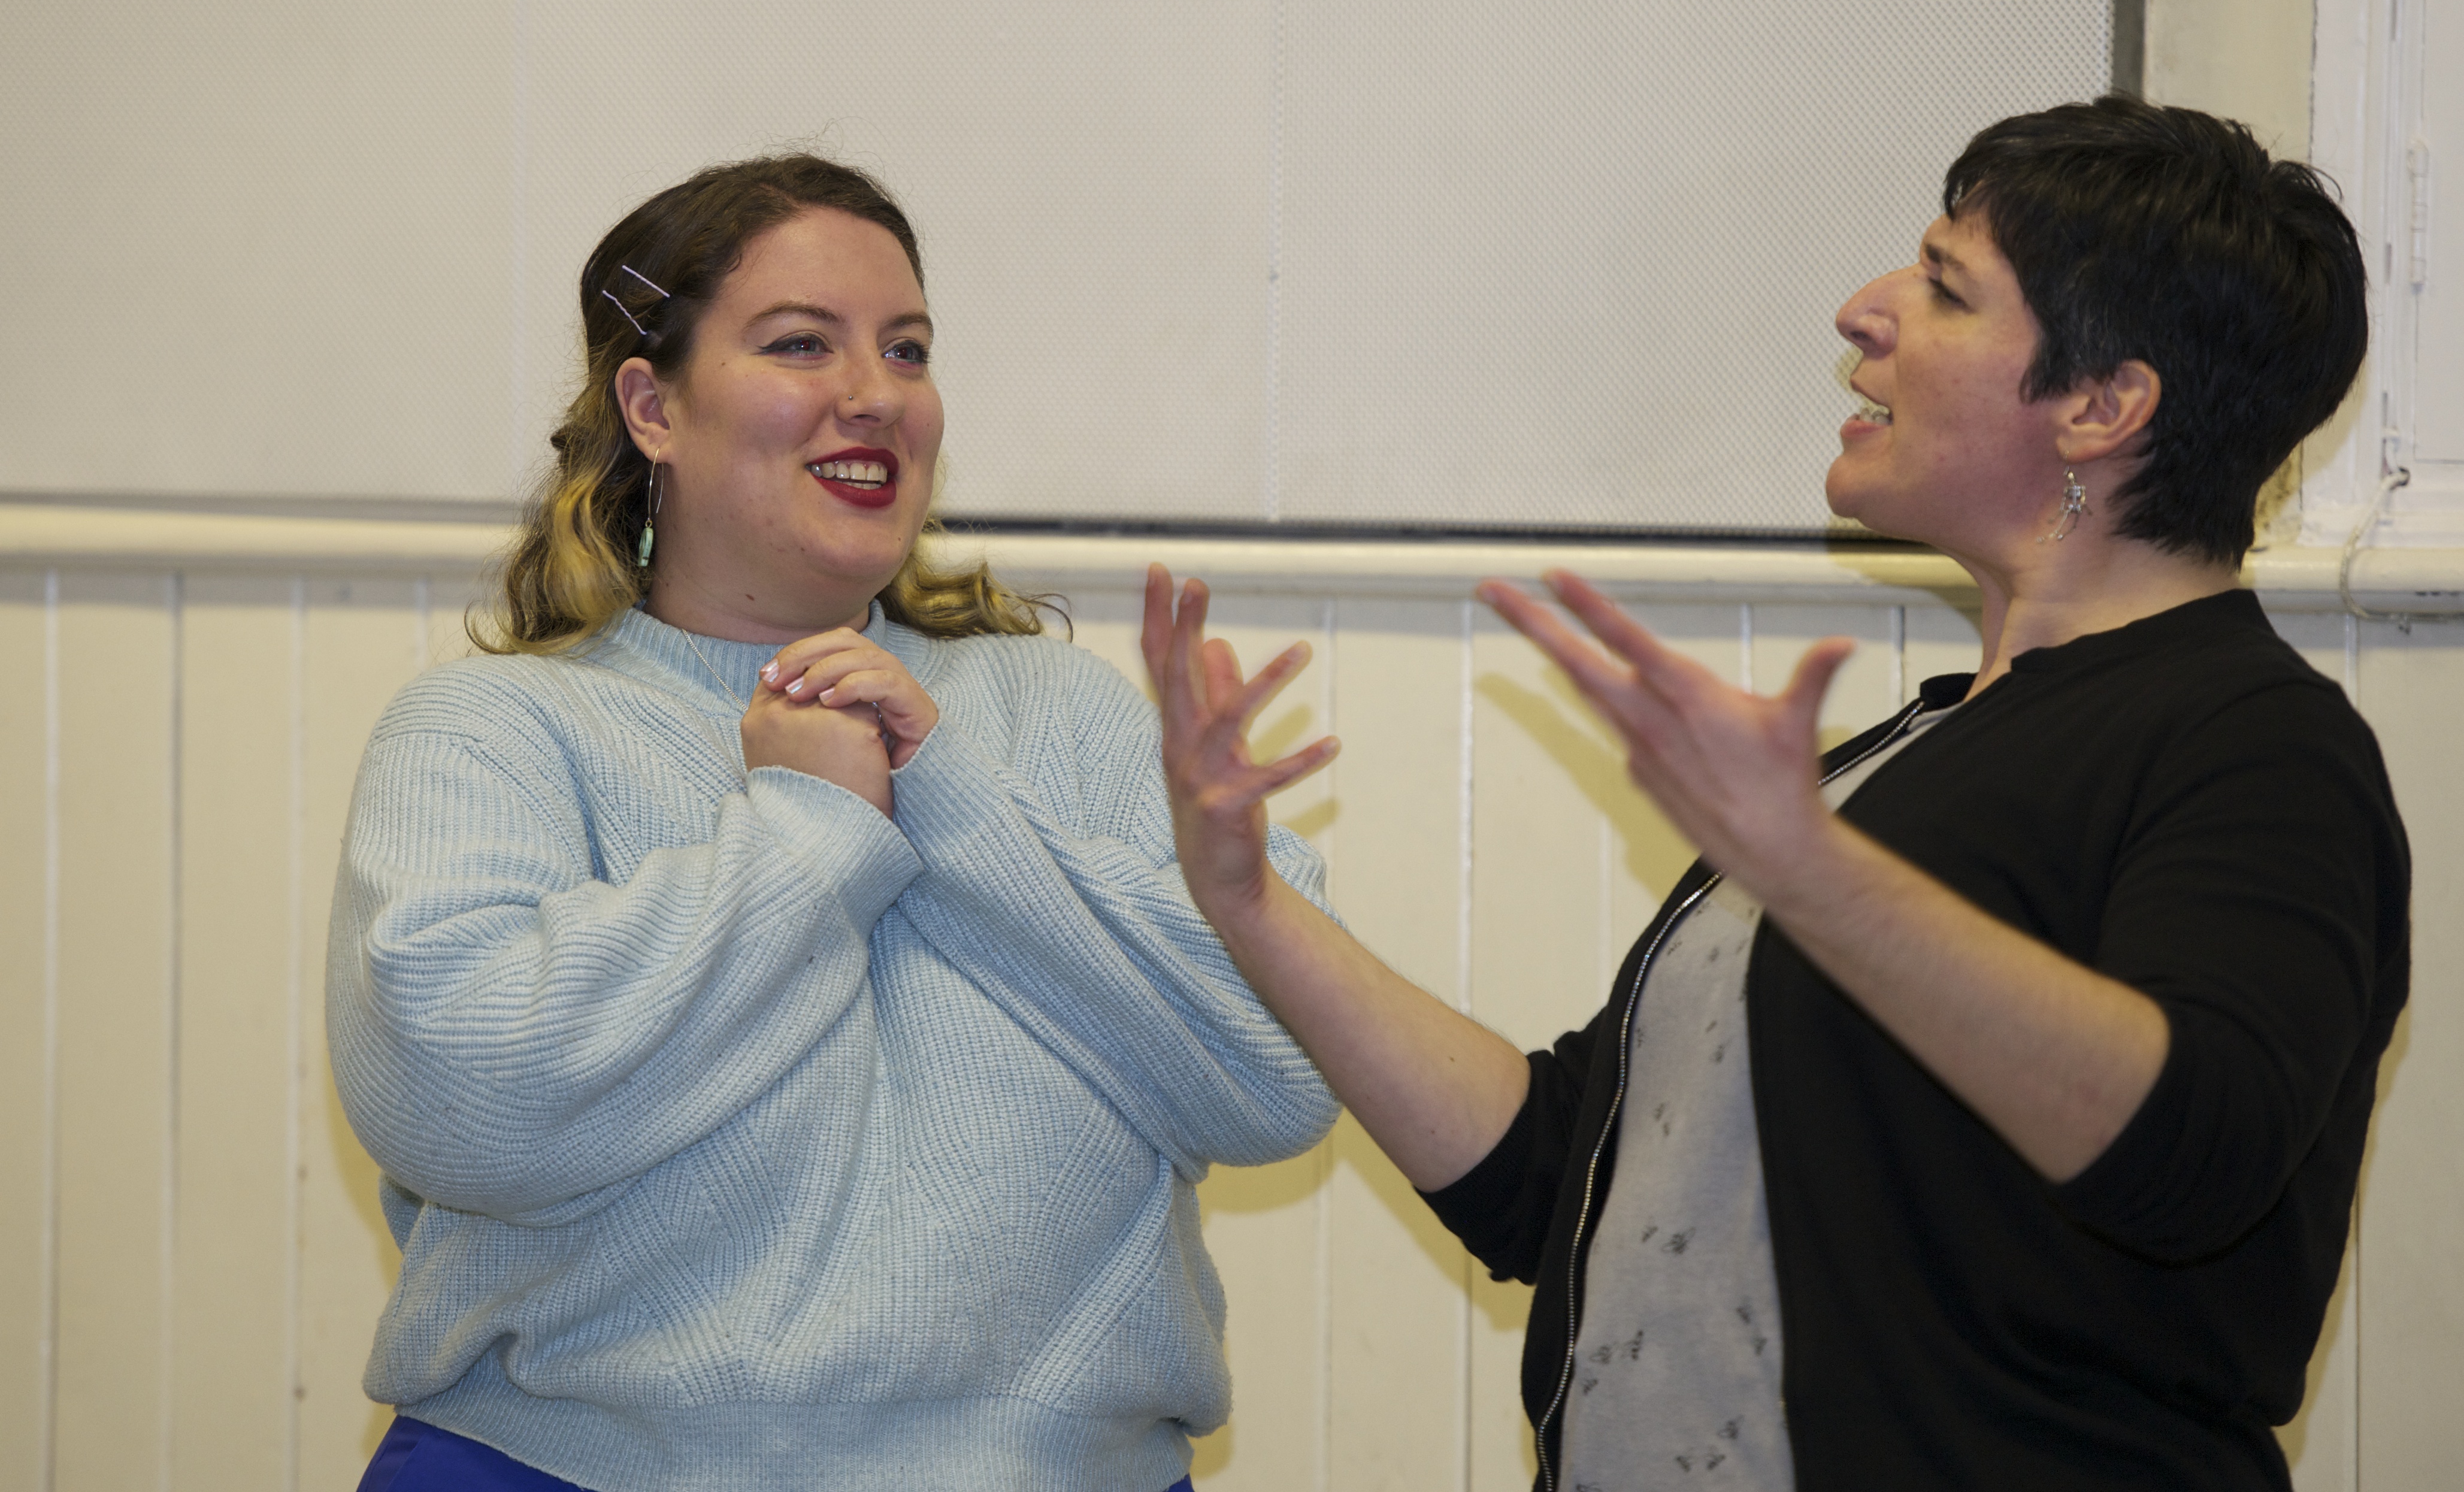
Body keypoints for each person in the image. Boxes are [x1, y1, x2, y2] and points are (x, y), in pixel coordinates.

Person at [1139, 96, 2409, 1490]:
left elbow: (2192, 1155)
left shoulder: (2255, 743)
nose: (1862, 310)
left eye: (1943, 288)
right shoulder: (1891, 766)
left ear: (2100, 406)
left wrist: (1810, 870)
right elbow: (1564, 1179)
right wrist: (1247, 904)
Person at [328, 154, 1337, 1492]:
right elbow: (456, 1103)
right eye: (801, 343)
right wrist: (809, 835)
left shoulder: (1072, 713)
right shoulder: (493, 731)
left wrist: (948, 798)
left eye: (906, 349)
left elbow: (1285, 1070)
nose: (876, 394)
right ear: (652, 407)